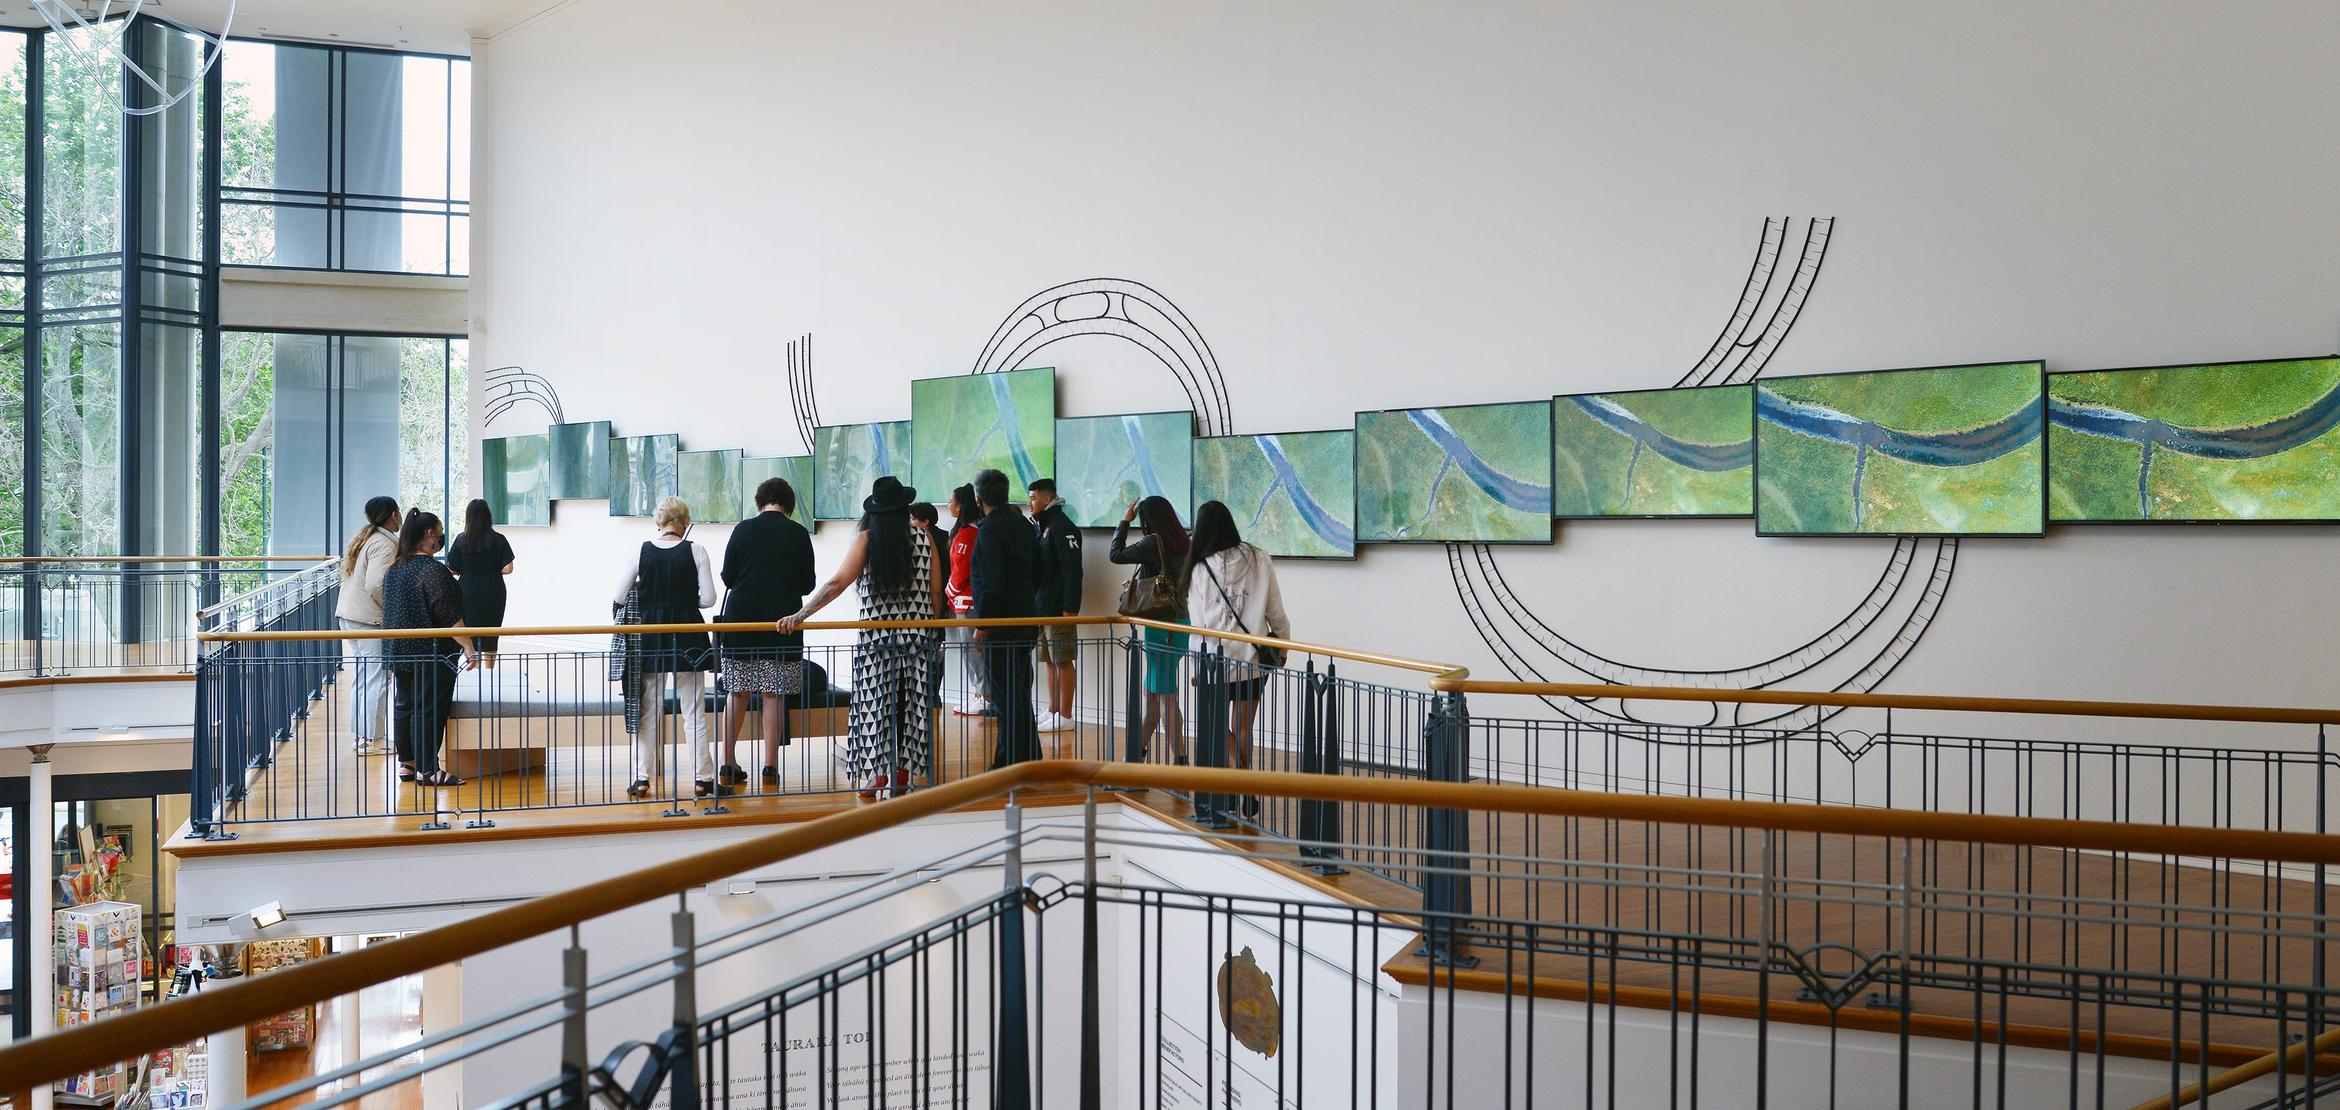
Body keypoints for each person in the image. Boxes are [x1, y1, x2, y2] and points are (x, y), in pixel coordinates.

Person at [779, 477, 945, 800]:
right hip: (918, 640)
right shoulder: (925, 538)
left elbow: (837, 583)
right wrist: (933, 632)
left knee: (873, 707)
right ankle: (903, 772)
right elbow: (935, 591)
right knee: (912, 708)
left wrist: (800, 615)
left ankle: (876, 774)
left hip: (877, 642)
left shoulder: (868, 541)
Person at [613, 497, 720, 799]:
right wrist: (685, 602)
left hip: (650, 634)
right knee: (694, 710)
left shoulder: (641, 550)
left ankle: (641, 778)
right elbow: (709, 599)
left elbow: (619, 596)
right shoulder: (696, 550)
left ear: (659, 521)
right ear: (684, 521)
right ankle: (703, 778)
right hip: (687, 633)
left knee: (648, 710)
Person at [1183, 500, 1290, 796]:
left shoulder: (1199, 568)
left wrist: (1194, 665)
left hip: (1212, 662)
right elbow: (1275, 609)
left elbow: (1198, 625)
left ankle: (1239, 784)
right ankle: (1246, 786)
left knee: (1217, 726)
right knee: (1243, 727)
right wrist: (1282, 642)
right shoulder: (1259, 559)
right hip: (1251, 659)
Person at [717, 477, 816, 789]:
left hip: (741, 620)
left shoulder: (742, 529)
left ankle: (728, 761)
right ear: (788, 503)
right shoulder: (799, 533)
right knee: (773, 693)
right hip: (783, 620)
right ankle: (770, 766)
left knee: (737, 691)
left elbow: (728, 576)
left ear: (760, 501)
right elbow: (807, 585)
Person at [379, 511, 478, 788]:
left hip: (398, 649)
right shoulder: (432, 570)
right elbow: (449, 614)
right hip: (431, 653)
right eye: (441, 531)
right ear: (431, 535)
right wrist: (469, 647)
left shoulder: (396, 567)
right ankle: (428, 769)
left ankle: (407, 764)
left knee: (405, 704)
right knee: (429, 708)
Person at [1110, 495, 1191, 763]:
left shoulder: (1152, 542)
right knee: (1154, 695)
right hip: (1180, 623)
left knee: (1165, 696)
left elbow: (1116, 554)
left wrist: (1124, 521)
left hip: (1159, 626)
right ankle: (1135, 756)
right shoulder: (1183, 542)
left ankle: (1180, 761)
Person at [971, 468, 1042, 767]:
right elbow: (1040, 569)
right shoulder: (1023, 525)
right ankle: (1029, 757)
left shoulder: (989, 530)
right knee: (1020, 692)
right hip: (1026, 619)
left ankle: (1008, 764)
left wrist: (982, 625)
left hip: (1001, 625)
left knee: (1005, 697)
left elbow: (991, 583)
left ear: (978, 499)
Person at [334, 496, 401, 756]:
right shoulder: (384, 544)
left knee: (363, 677)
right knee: (378, 677)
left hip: (350, 616)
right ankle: (375, 741)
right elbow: (375, 584)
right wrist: (391, 609)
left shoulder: (366, 538)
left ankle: (362, 737)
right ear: (394, 514)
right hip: (368, 619)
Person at [1027, 478, 1083, 733]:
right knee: (1049, 660)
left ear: (1046, 499)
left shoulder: (1062, 527)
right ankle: (1053, 709)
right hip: (1043, 606)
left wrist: (1070, 609)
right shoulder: (1044, 527)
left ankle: (1067, 714)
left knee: (1062, 660)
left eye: (1034, 498)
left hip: (1059, 607)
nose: (1030, 503)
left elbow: (1072, 572)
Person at [444, 499, 514, 670]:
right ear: (488, 516)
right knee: (491, 631)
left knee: (469, 629)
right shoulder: (498, 539)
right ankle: (489, 671)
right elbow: (508, 568)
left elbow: (451, 569)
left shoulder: (461, 540)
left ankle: (472, 667)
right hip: (493, 590)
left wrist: (465, 570)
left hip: (466, 590)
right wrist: (492, 570)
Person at [942, 484, 990, 717]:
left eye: (950, 500)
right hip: (967, 601)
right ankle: (981, 693)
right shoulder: (970, 532)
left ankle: (985, 696)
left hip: (967, 603)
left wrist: (948, 592)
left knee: (972, 651)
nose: (948, 504)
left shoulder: (967, 534)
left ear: (959, 506)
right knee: (971, 651)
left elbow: (961, 572)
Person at [908, 502, 952, 710]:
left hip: (925, 605)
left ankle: (925, 694)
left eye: (913, 519)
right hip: (945, 600)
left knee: (927, 651)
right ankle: (934, 694)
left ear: (924, 521)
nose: (910, 523)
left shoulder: (921, 540)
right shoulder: (947, 537)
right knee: (938, 650)